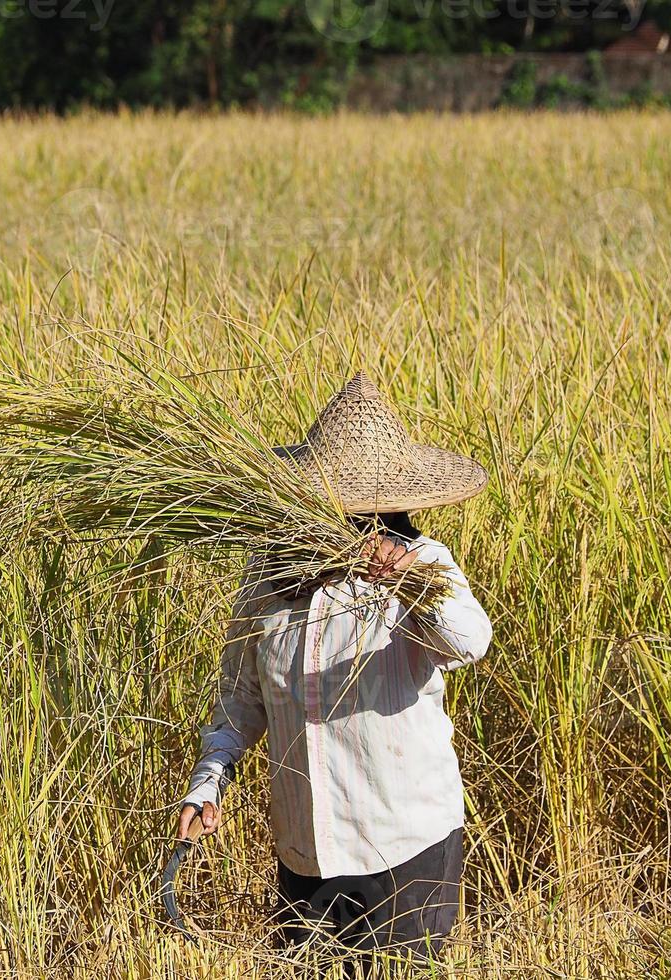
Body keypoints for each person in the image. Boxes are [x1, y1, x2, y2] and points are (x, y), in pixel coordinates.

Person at [176, 372, 492, 966]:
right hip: (306, 854)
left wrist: (407, 584)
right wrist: (209, 779)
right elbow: (242, 699)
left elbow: (470, 641)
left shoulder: (422, 565)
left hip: (406, 848)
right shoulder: (270, 579)